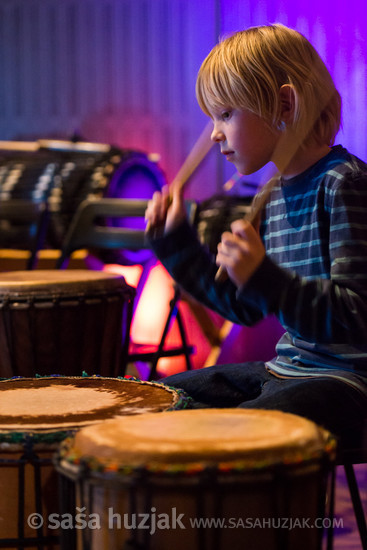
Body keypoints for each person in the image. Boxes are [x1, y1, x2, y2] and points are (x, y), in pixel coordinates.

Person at [145, 23, 367, 450]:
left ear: (284, 104)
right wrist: (176, 244)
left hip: (348, 383)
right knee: (161, 401)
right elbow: (242, 308)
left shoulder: (344, 185)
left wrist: (265, 278)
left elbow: (356, 316)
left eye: (226, 114)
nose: (214, 133)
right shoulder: (273, 195)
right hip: (287, 372)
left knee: (238, 434)